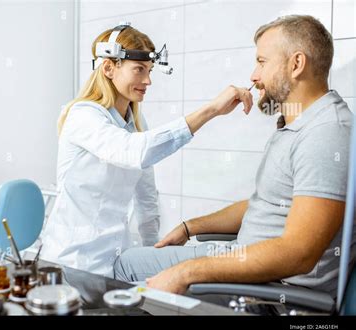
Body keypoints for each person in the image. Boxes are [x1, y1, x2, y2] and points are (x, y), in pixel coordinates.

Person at [114, 15, 355, 298]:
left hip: (273, 290)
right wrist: (189, 227)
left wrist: (187, 271)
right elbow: (265, 204)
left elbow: (298, 253)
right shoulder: (299, 125)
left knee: (124, 268)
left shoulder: (326, 133)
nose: (254, 75)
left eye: (262, 62)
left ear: (296, 64)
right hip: (244, 259)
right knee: (128, 261)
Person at [39, 23, 253, 276]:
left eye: (150, 70)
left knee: (209, 261)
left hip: (115, 260)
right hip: (73, 263)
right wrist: (211, 111)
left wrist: (154, 250)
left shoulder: (136, 124)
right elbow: (133, 151)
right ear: (109, 68)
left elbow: (146, 196)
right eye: (139, 69)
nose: (148, 80)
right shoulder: (83, 116)